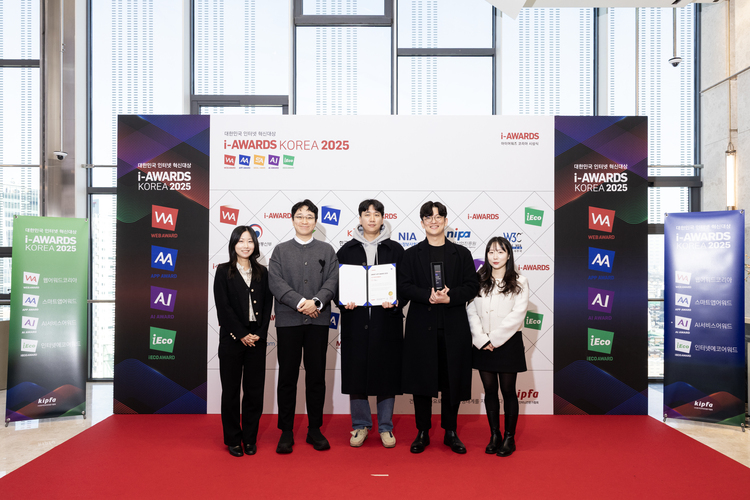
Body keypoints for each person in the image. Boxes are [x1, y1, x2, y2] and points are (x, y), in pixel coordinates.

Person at [399, 201, 479, 454]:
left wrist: (450, 296)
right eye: (428, 217)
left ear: (445, 221)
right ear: (422, 222)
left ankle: (450, 431)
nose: (433, 221)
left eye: (438, 217)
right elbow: (404, 286)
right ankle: (422, 431)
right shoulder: (411, 254)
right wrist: (428, 295)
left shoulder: (461, 254)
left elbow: (472, 286)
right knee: (421, 381)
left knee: (452, 381)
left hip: (453, 327)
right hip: (421, 327)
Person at [268, 199, 339, 454]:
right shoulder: (280, 250)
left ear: (316, 221)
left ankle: (314, 429)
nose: (305, 220)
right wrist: (301, 303)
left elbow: (333, 280)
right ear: (292, 220)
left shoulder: (327, 250)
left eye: (309, 216)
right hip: (288, 321)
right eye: (300, 216)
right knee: (287, 376)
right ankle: (286, 431)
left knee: (316, 376)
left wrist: (316, 302)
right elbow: (275, 282)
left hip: (318, 321)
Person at [337, 199, 405, 448]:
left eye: (377, 214)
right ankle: (360, 425)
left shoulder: (395, 249)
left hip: (386, 321)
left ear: (383, 218)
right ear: (360, 218)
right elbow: (336, 285)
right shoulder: (346, 250)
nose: (372, 218)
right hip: (355, 322)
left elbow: (405, 284)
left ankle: (386, 427)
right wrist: (344, 302)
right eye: (367, 214)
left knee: (387, 375)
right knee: (356, 375)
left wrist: (396, 301)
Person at [213, 225, 273, 457]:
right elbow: (223, 307)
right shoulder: (223, 271)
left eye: (250, 241)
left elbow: (267, 306)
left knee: (254, 392)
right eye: (241, 241)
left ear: (255, 245)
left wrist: (260, 332)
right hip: (232, 339)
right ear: (233, 244)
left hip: (257, 339)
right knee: (230, 392)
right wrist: (240, 334)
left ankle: (249, 438)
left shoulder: (262, 272)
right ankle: (232, 439)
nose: (246, 245)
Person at [466, 236, 529, 457]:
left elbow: (517, 314)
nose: (495, 256)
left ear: (508, 255)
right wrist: (482, 339)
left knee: (508, 391)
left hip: (508, 343)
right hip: (482, 344)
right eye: (491, 252)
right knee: (490, 391)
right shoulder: (478, 279)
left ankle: (509, 438)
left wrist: (494, 339)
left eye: (500, 252)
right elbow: (470, 310)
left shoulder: (520, 281)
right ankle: (495, 435)